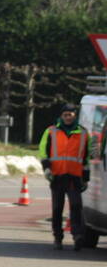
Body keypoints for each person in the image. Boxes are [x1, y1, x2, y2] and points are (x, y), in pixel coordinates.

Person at [38, 102, 92, 251]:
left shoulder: (83, 133)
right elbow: (43, 151)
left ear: (75, 116)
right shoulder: (51, 131)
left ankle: (78, 236)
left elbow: (87, 157)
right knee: (57, 209)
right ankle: (58, 237)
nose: (68, 117)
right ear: (61, 116)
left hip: (74, 176)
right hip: (57, 176)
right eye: (65, 115)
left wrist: (85, 177)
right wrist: (47, 169)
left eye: (71, 115)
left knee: (76, 206)